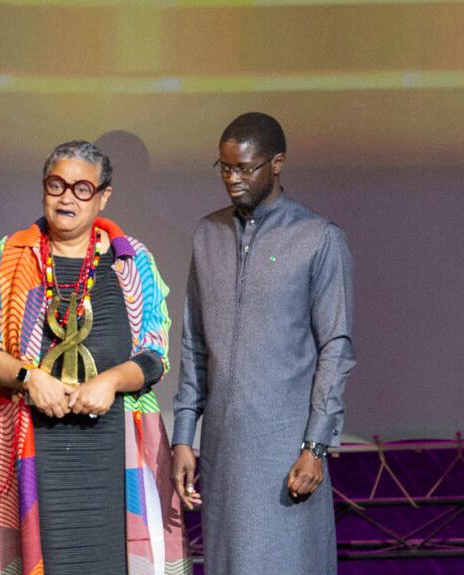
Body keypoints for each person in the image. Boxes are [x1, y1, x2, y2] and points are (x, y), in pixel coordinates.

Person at [0, 140, 191, 575]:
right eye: (57, 185)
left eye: (82, 188)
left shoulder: (134, 261)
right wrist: (30, 379)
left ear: (104, 195)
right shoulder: (12, 255)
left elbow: (155, 354)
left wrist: (109, 382)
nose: (67, 197)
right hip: (36, 445)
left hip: (117, 444)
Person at [171, 113, 355, 574]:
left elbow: (336, 347)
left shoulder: (317, 238)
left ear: (277, 164)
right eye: (225, 167)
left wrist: (315, 446)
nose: (232, 180)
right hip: (223, 452)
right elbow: (194, 343)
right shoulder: (207, 235)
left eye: (245, 168)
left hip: (286, 452)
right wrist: (182, 437)